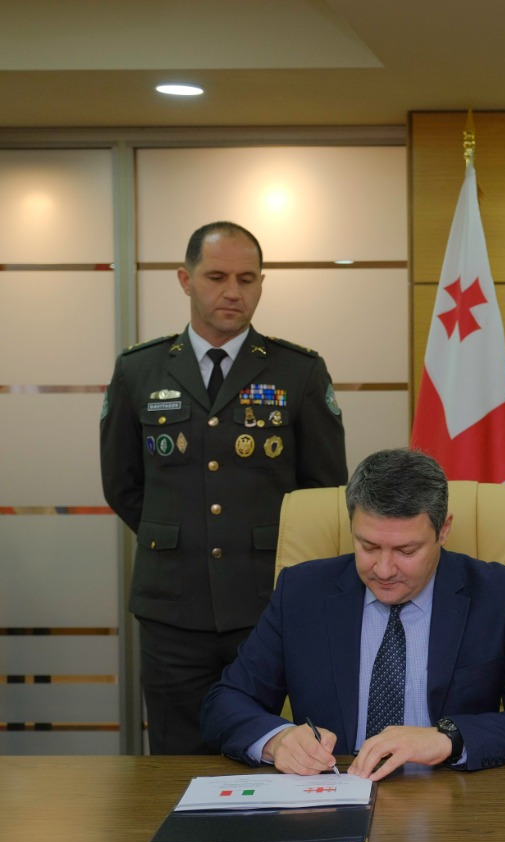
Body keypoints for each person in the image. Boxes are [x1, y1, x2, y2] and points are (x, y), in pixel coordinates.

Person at [100, 221, 348, 754]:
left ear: (261, 283)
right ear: (185, 279)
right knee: (175, 755)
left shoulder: (298, 371)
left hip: (268, 602)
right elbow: (122, 485)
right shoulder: (139, 370)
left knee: (275, 750)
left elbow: (324, 488)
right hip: (172, 606)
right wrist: (177, 537)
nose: (233, 291)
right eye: (216, 277)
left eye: (247, 278)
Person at [201, 448, 505, 778]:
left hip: (452, 800)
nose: (383, 570)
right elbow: (225, 702)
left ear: (443, 530)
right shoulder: (302, 592)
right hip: (332, 791)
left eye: (406, 551)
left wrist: (447, 738)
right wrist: (278, 740)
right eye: (368, 546)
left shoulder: (496, 594)